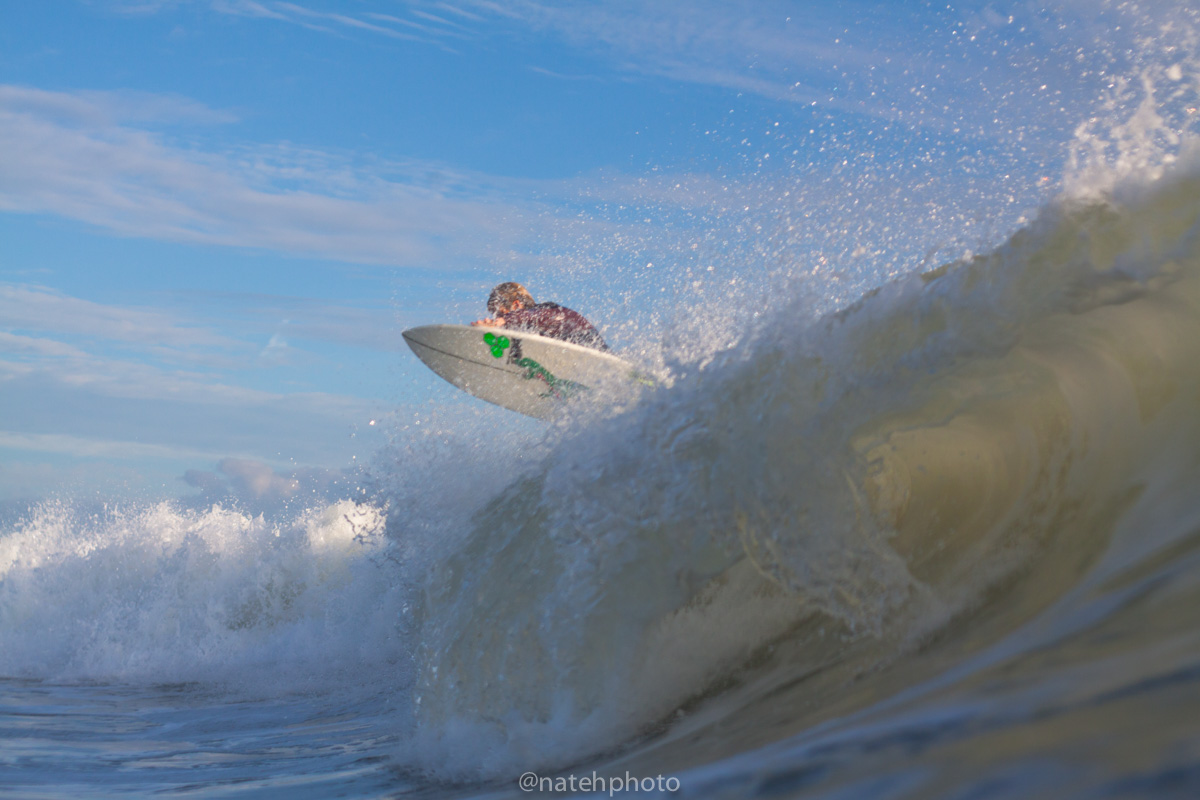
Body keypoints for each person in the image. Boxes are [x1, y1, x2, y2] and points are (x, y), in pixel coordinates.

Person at [471, 282, 610, 351]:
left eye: (500, 313)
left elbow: (535, 316)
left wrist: (501, 322)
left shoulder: (543, 311)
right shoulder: (528, 330)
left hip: (592, 347)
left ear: (516, 305)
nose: (497, 316)